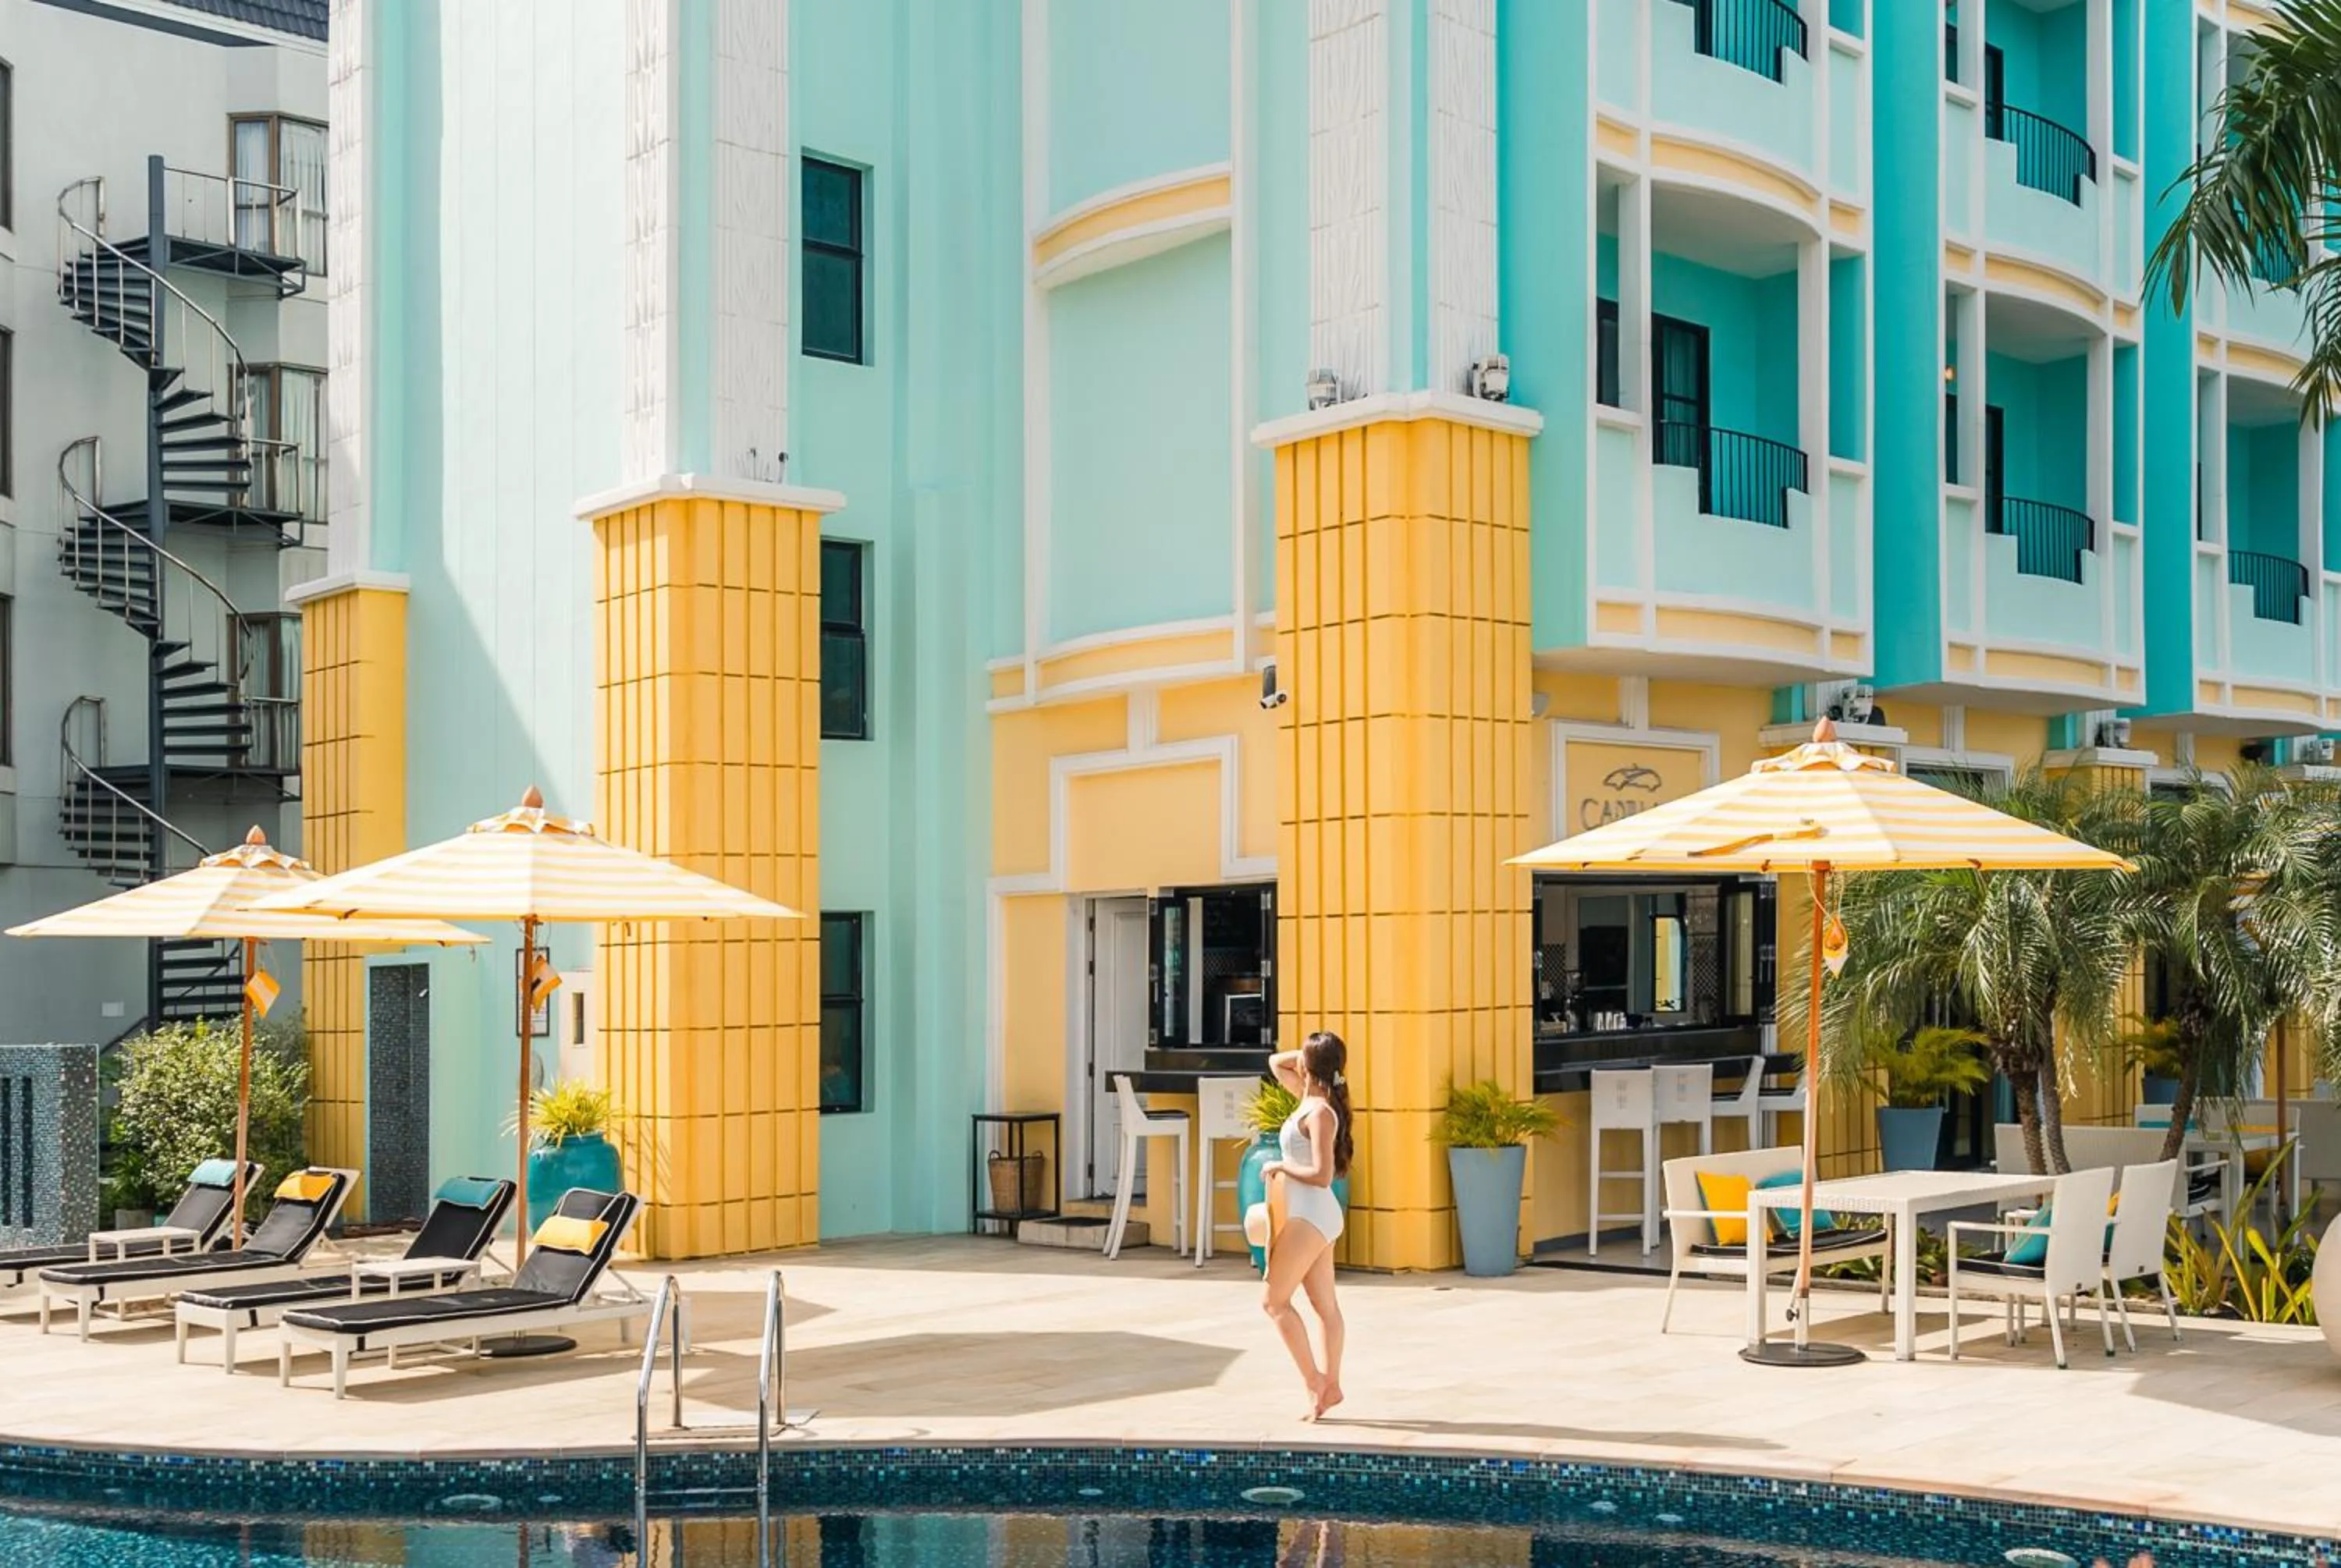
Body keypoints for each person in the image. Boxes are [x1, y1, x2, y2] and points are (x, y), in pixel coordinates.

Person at [1260, 1031, 1354, 1421]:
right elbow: (1273, 1063)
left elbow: (1321, 1174)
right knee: (1323, 1306)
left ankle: (1315, 1381)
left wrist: (1281, 1165)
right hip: (1316, 1215)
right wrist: (1310, 1056)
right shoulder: (1308, 1097)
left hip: (1312, 1214)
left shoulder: (1319, 1113)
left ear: (1311, 1068)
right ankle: (1328, 1388)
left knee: (1274, 1301)